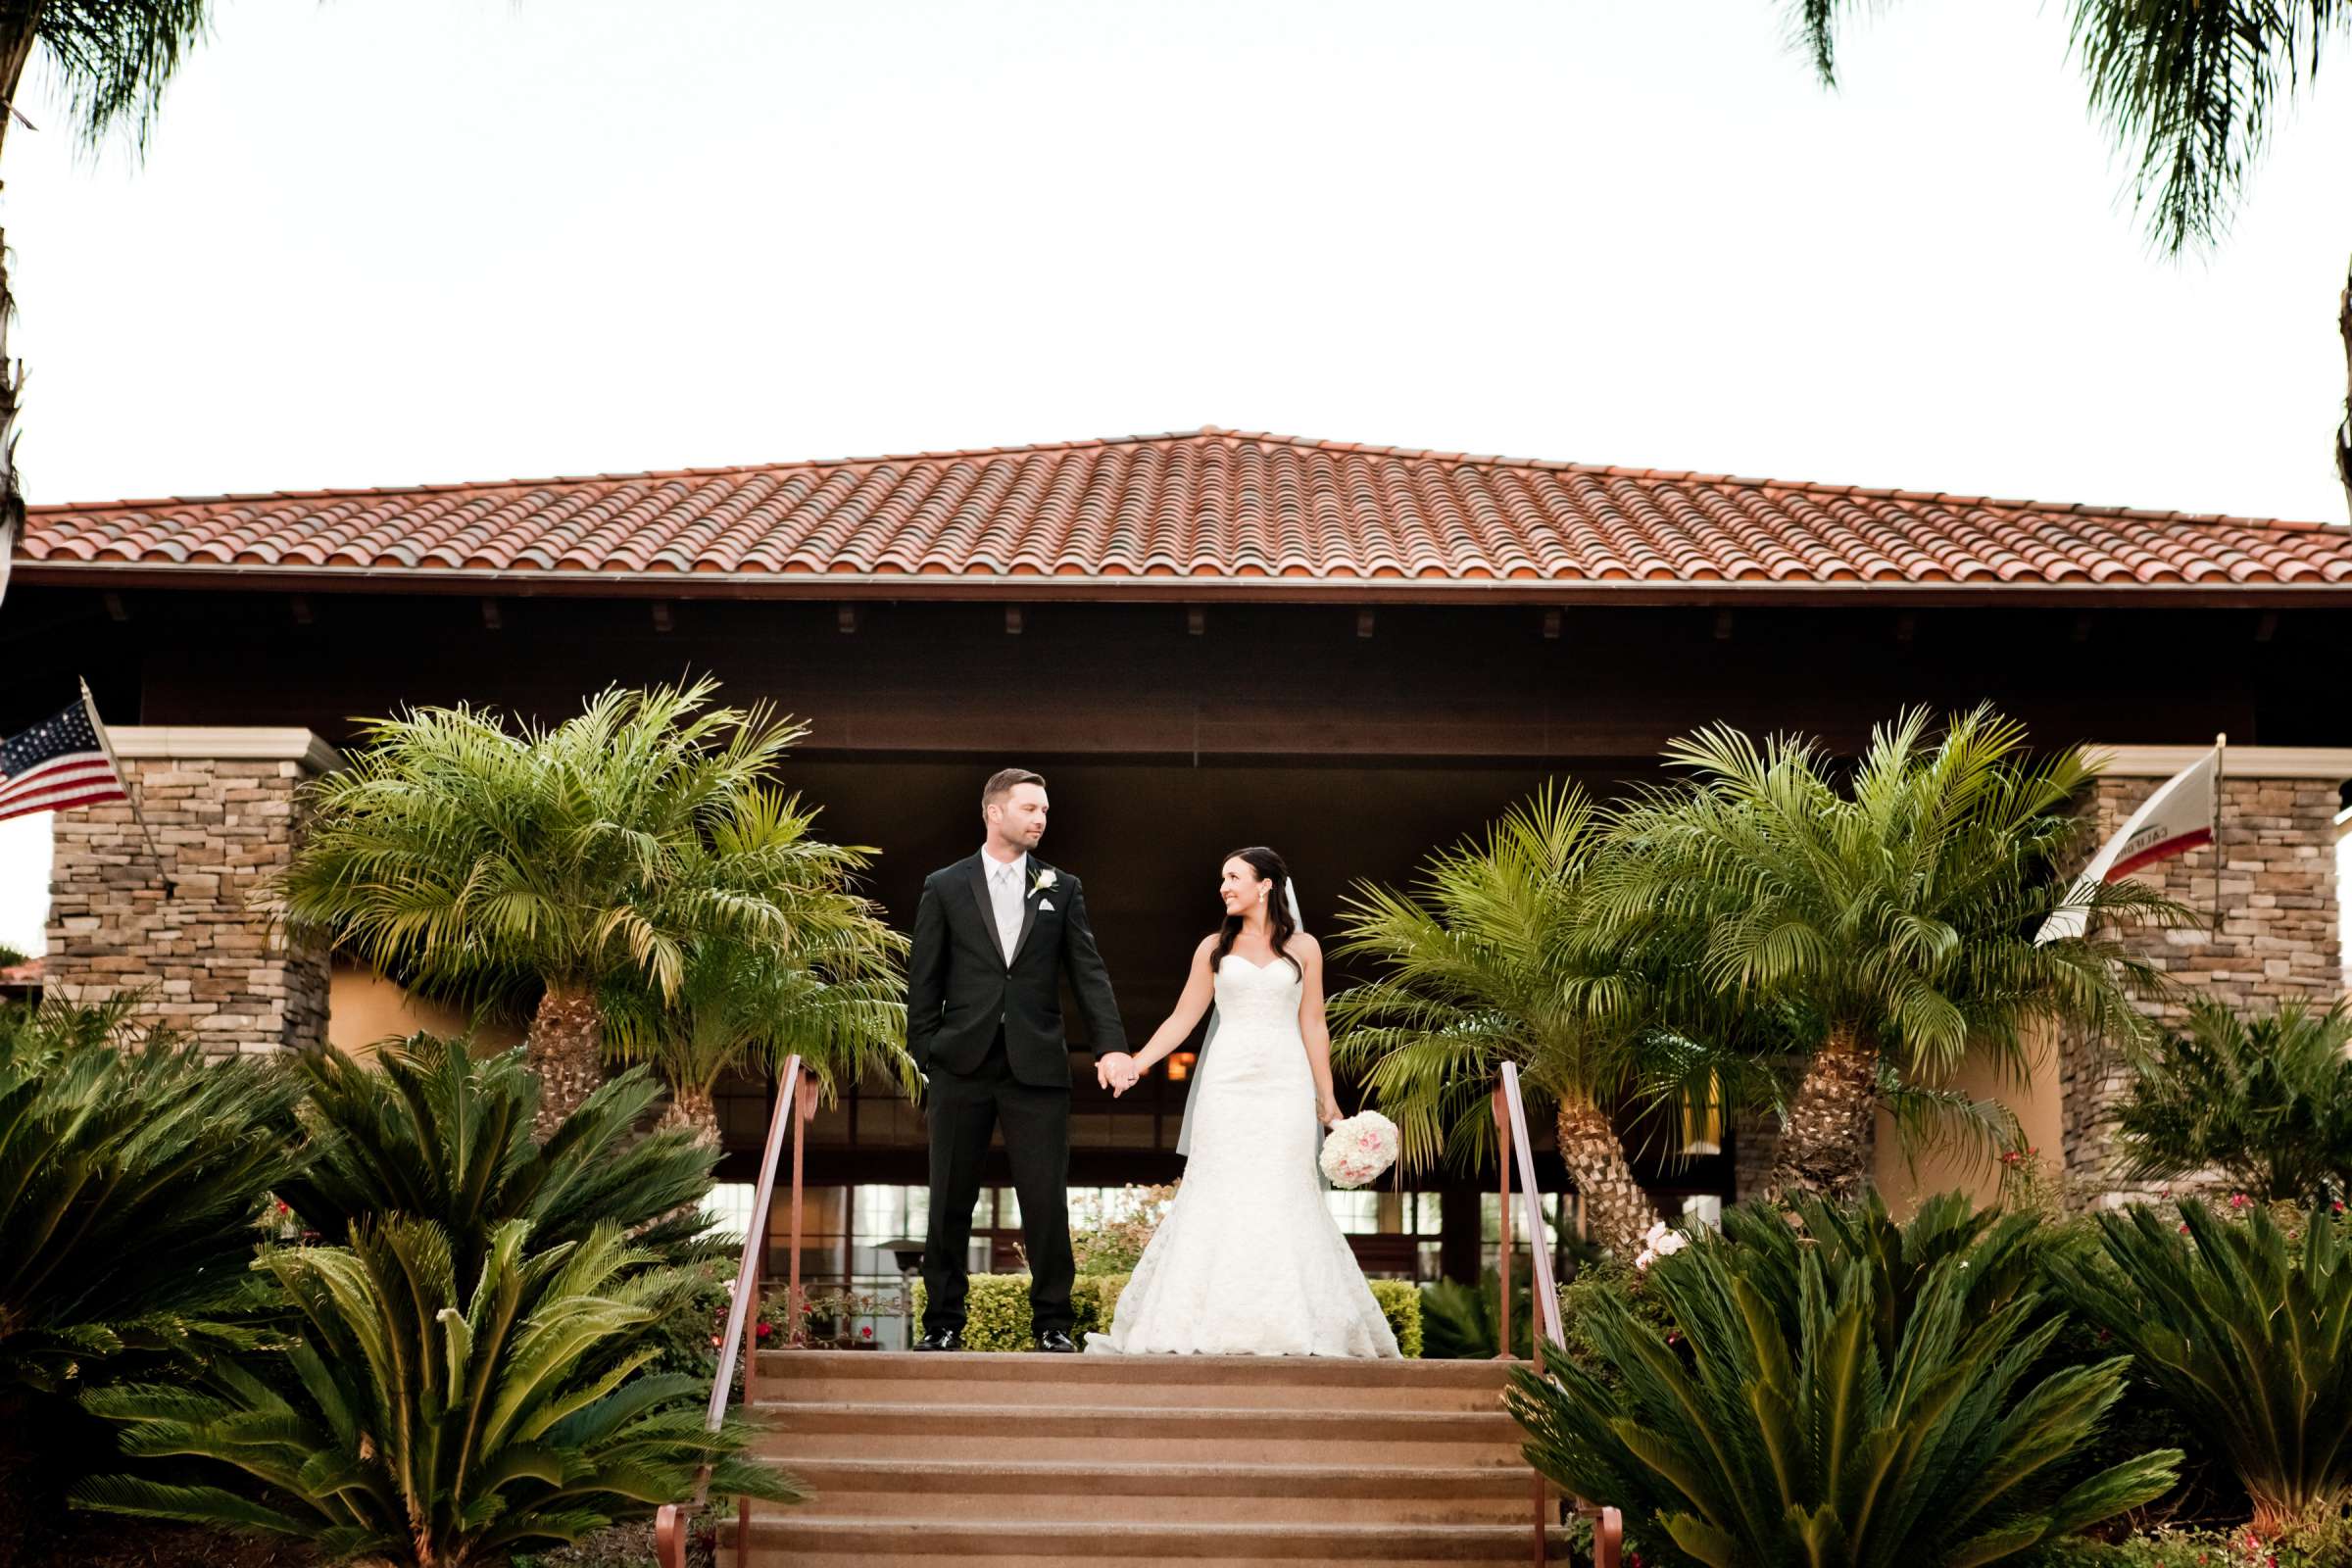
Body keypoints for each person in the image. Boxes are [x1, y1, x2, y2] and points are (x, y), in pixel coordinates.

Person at [1089, 847, 1399, 1357]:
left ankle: (1294, 1323)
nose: (1224, 887)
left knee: (1285, 1191)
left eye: (1234, 877)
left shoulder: (1304, 948)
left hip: (1285, 1084)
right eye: (1223, 879)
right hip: (1226, 1085)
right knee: (1218, 1190)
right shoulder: (1213, 947)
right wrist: (1137, 1062)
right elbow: (1183, 1018)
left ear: (1266, 885)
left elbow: (1313, 1023)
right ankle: (1201, 1322)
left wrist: (1328, 1102)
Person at [905, 768, 1129, 1352]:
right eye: (1030, 808)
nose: (1040, 820)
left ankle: (1052, 1323)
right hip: (961, 1063)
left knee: (1045, 1201)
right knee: (950, 1198)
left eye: (1045, 811)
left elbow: (1089, 972)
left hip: (1038, 1066)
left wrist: (1109, 1046)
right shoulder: (945, 885)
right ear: (994, 812)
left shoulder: (1063, 887)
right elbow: (923, 977)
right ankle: (943, 1325)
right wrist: (927, 1050)